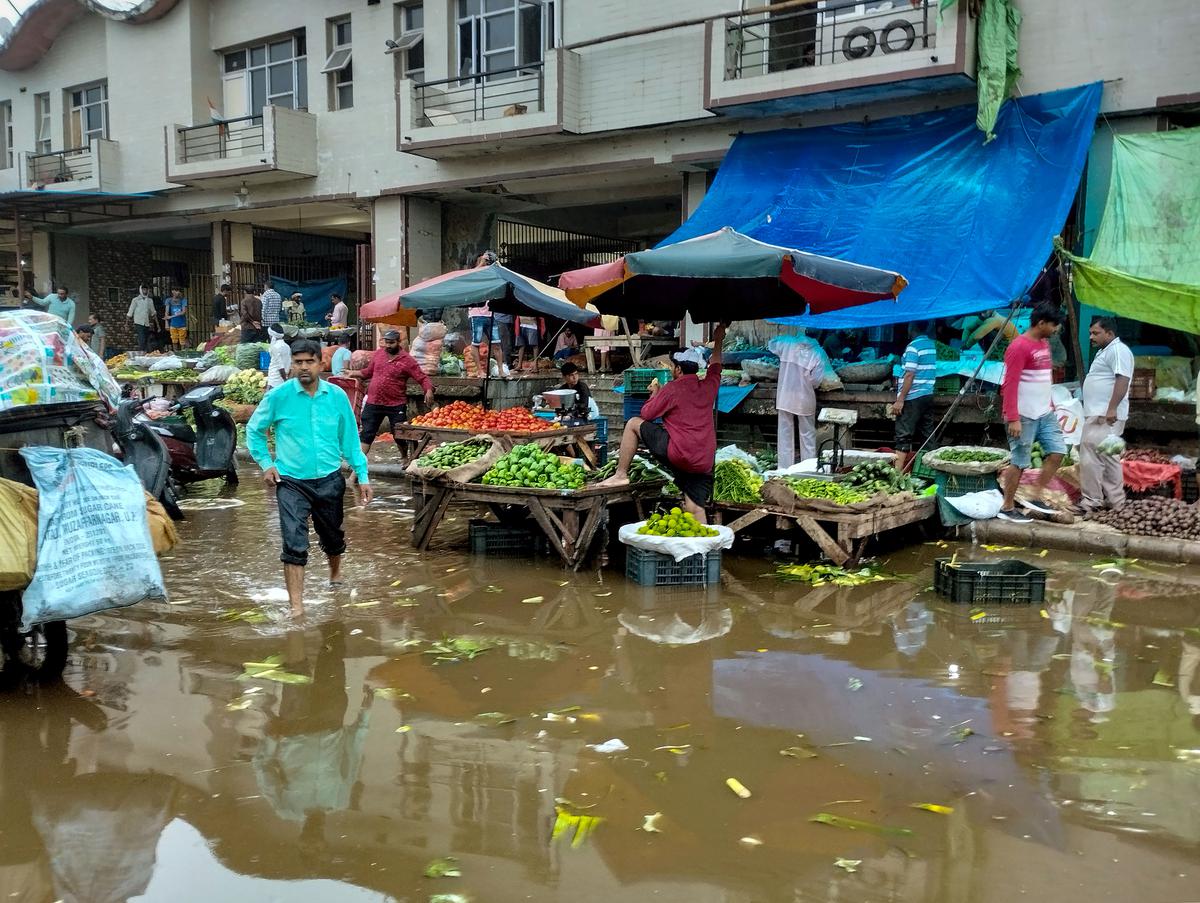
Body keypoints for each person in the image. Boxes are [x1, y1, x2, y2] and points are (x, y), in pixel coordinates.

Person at [246, 339, 371, 617]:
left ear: (321, 364)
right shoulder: (279, 396)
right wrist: (267, 464)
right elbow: (254, 430)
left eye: (309, 361)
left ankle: (335, 573)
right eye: (298, 361)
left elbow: (350, 440)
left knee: (333, 535)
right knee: (293, 541)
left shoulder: (337, 396)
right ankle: (297, 607)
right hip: (290, 481)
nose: (303, 367)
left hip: (329, 478)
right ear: (291, 364)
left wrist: (362, 476)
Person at [599, 323, 728, 522]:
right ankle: (704, 549)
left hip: (680, 454)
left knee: (633, 422)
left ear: (677, 369)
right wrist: (719, 338)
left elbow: (647, 414)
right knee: (695, 507)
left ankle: (621, 474)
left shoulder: (672, 388)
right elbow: (716, 365)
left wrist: (655, 394)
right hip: (704, 459)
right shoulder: (708, 385)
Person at [998, 305, 1067, 522]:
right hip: (1023, 415)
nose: (1056, 329)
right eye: (1054, 325)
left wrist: (1051, 404)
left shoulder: (1044, 344)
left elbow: (1045, 378)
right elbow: (1009, 384)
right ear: (1041, 323)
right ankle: (1007, 507)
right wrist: (1013, 417)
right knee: (1019, 461)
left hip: (1045, 412)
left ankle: (1035, 495)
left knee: (1058, 452)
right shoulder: (1018, 347)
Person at [344, 328, 434, 458]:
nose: (388, 345)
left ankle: (404, 457)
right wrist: (353, 373)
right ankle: (356, 471)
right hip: (373, 402)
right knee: (366, 434)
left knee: (400, 435)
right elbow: (368, 372)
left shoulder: (407, 360)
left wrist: (429, 390)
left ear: (398, 342)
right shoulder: (379, 354)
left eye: (391, 342)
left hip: (396, 404)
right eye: (386, 342)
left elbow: (422, 377)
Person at [1077, 317, 1133, 514]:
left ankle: (1092, 501)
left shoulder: (1118, 350)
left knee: (1090, 455)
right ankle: (1116, 502)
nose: (1091, 337)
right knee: (1109, 457)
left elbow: (1122, 379)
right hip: (1102, 414)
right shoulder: (1106, 351)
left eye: (1095, 333)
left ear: (1109, 333)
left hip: (1104, 416)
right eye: (1090, 333)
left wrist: (1111, 409)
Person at [768, 330, 826, 469]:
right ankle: (808, 468)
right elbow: (816, 381)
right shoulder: (818, 353)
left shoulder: (787, 343)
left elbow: (771, 344)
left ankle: (784, 468)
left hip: (785, 396)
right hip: (804, 398)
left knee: (784, 433)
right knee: (807, 435)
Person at [890, 321, 938, 473]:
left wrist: (900, 400)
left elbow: (909, 374)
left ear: (911, 328)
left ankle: (897, 474)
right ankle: (930, 473)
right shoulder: (930, 345)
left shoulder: (913, 347)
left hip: (913, 396)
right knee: (927, 435)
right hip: (927, 395)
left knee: (903, 434)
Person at [126, 284, 158, 352]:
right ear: (140, 290)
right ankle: (141, 353)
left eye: (146, 289)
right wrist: (126, 324)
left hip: (146, 323)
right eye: (143, 289)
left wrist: (158, 325)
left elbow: (153, 313)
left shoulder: (150, 301)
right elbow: (130, 312)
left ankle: (145, 354)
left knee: (146, 339)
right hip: (138, 322)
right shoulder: (135, 300)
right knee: (142, 339)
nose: (145, 291)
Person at [266, 324, 292, 390]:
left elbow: (280, 366)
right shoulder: (287, 346)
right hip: (284, 377)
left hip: (275, 380)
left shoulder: (275, 347)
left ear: (271, 335)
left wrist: (285, 379)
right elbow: (289, 363)